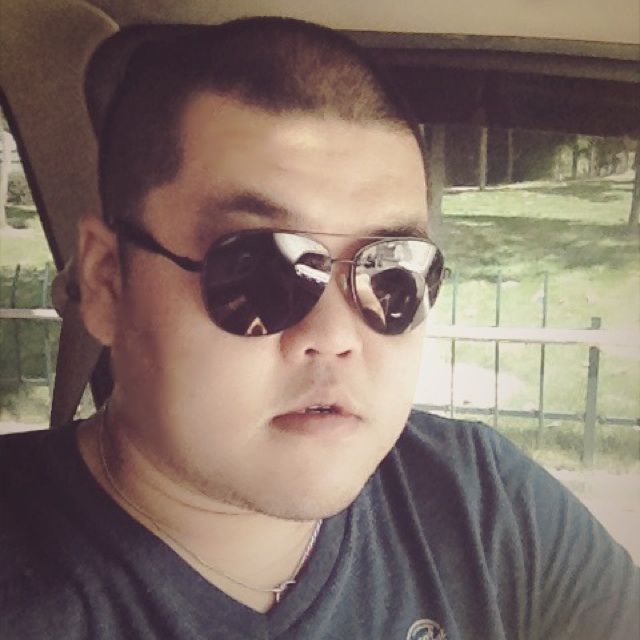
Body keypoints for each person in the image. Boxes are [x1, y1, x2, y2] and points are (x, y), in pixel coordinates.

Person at [0, 17, 637, 640]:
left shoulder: (484, 509)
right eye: (257, 268)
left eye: (393, 269)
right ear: (109, 283)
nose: (336, 335)